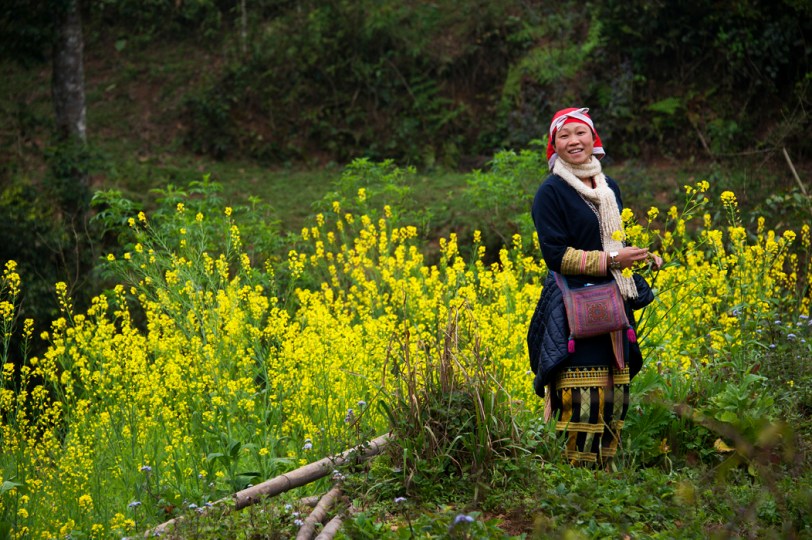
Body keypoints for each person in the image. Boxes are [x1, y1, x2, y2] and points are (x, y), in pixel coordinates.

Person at [527, 107, 661, 467]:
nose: (574, 141)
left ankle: (605, 477)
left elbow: (615, 241)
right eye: (564, 136)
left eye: (580, 133)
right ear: (554, 145)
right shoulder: (551, 192)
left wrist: (641, 258)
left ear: (593, 138)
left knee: (616, 398)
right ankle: (574, 481)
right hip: (575, 308)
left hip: (614, 304)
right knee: (582, 400)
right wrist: (614, 260)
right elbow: (556, 256)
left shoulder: (608, 187)